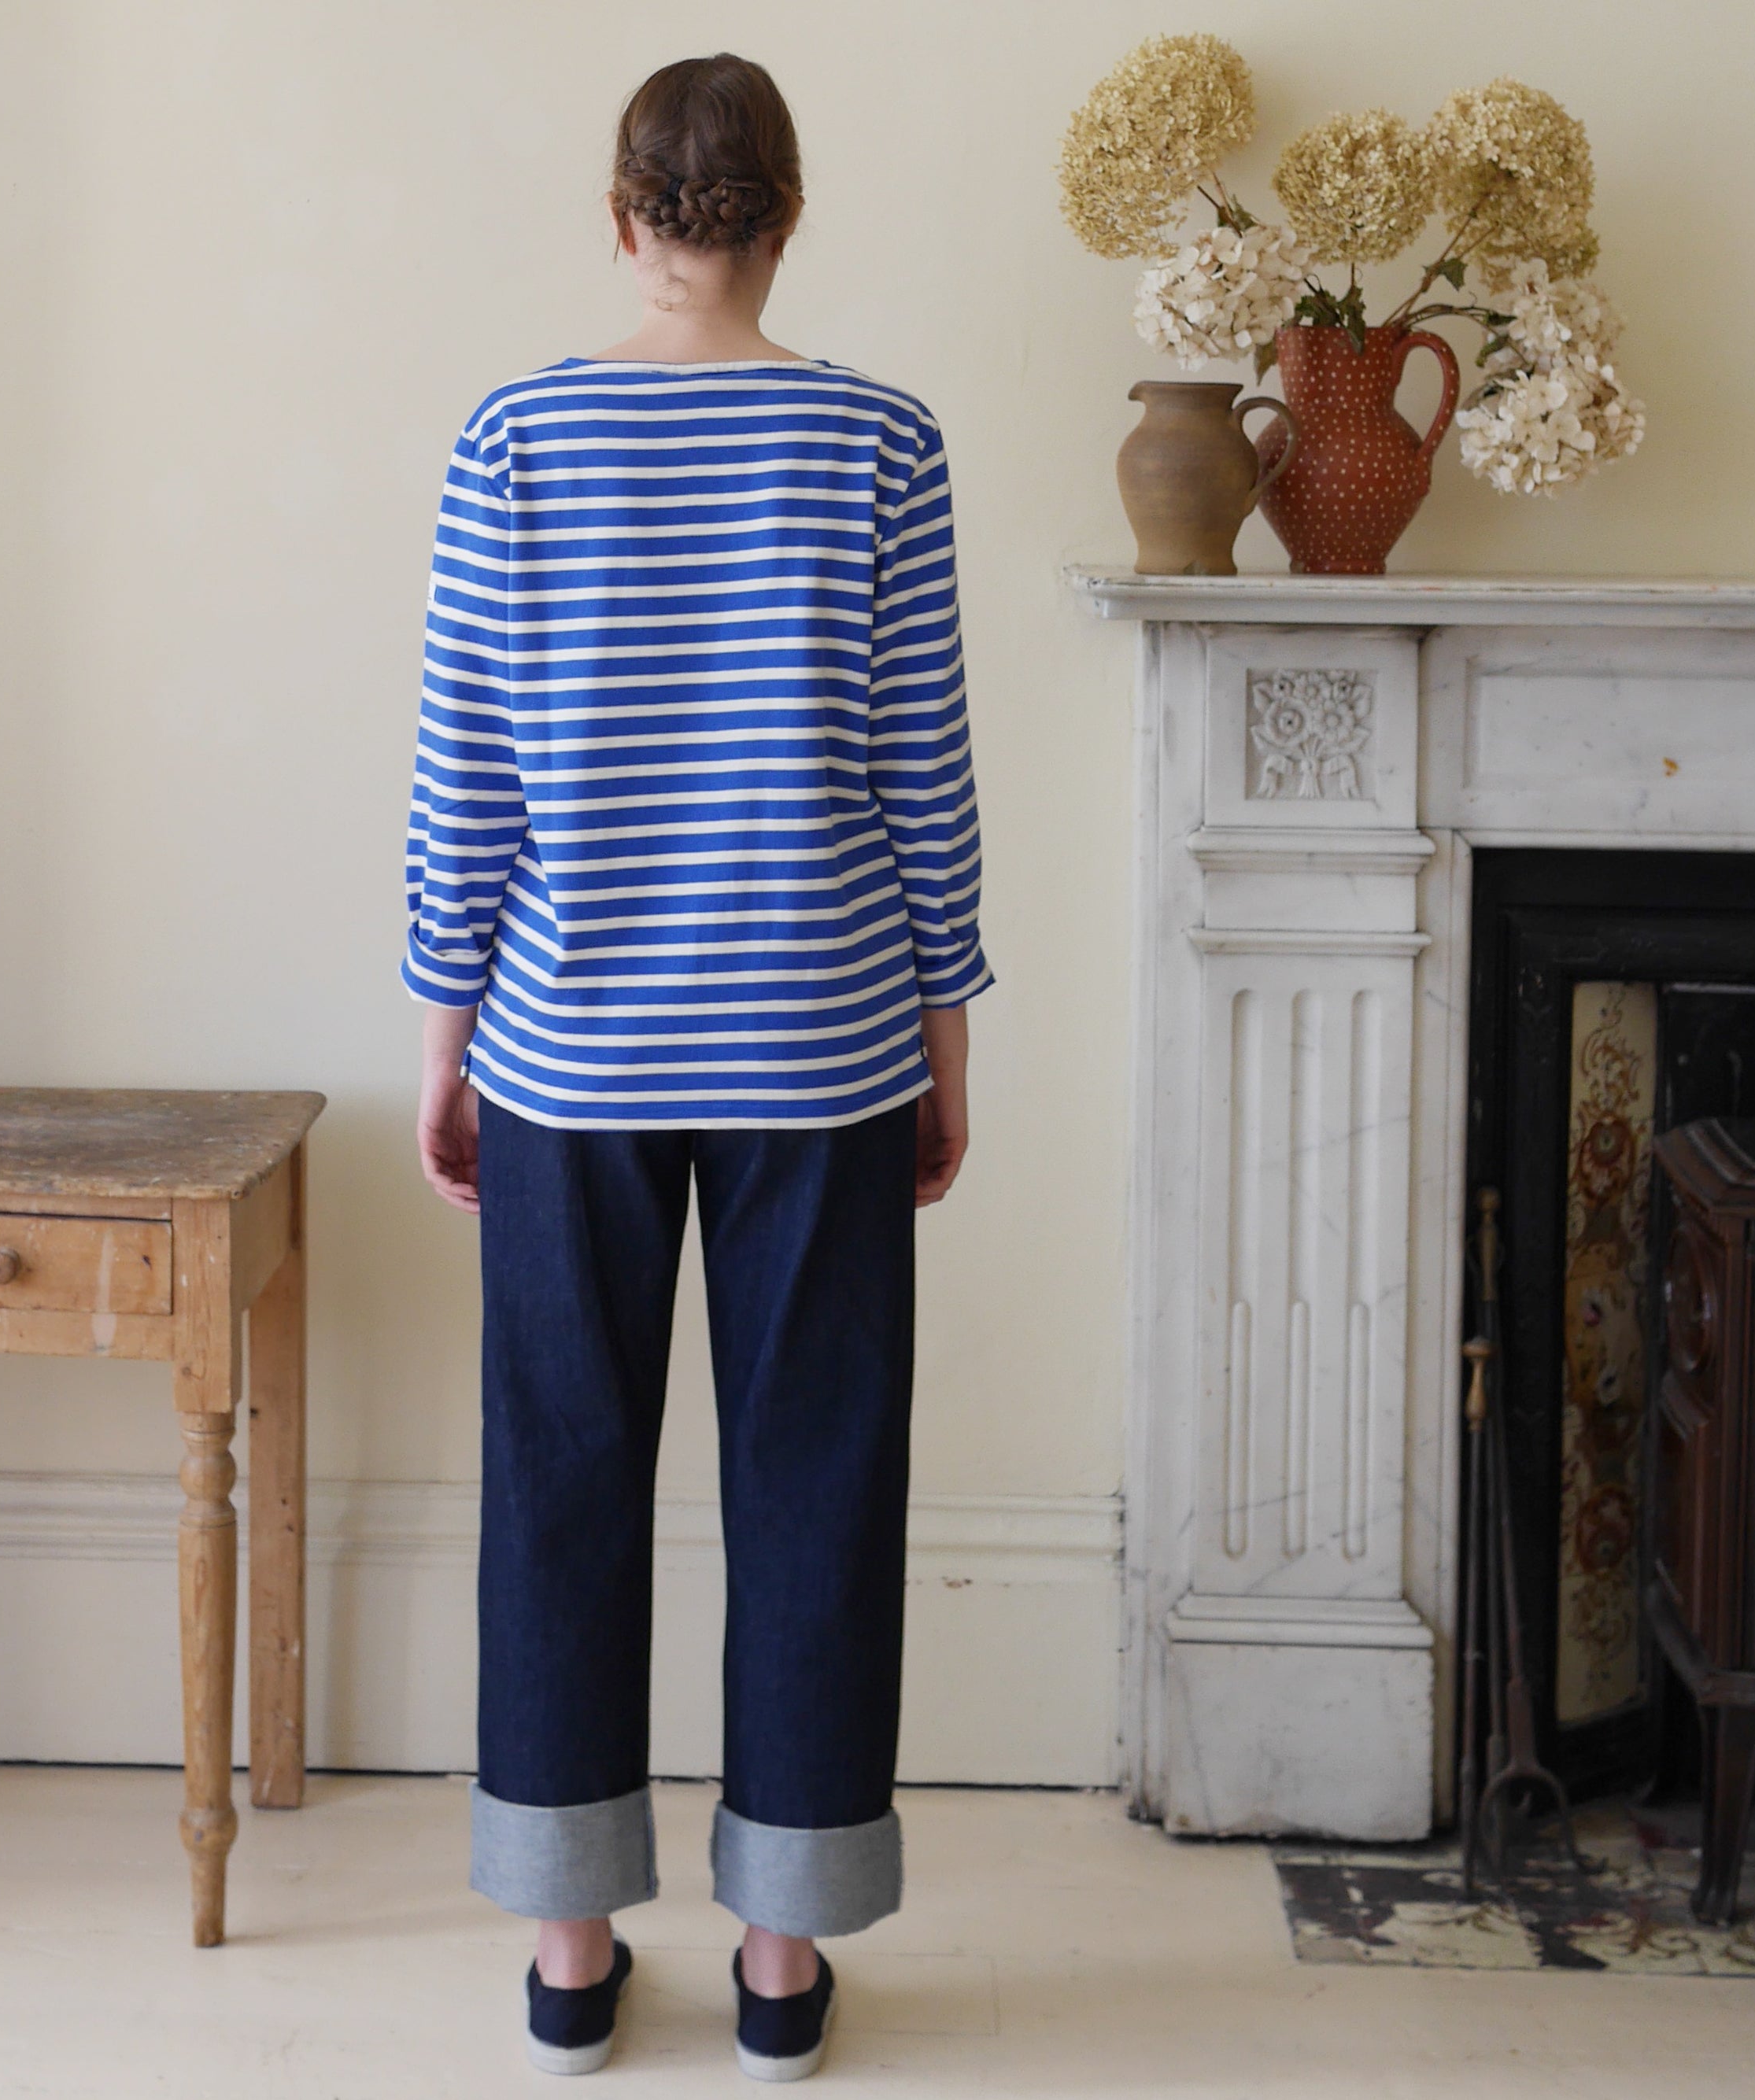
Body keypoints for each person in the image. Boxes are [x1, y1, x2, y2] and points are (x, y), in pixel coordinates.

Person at [400, 51, 992, 2083]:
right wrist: (944, 1038)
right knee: (815, 1483)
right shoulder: (880, 448)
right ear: (785, 217)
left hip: (571, 1050)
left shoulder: (514, 443)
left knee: (564, 1473)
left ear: (625, 219)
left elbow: (465, 781)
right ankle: (778, 1970)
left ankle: (571, 1956)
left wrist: (442, 1031)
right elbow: (928, 780)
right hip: (821, 1045)